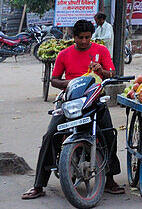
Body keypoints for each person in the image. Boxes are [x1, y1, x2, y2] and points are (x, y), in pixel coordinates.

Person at [24, 19, 124, 200]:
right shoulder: (64, 54)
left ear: (91, 36)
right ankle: (38, 185)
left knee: (109, 134)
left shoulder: (101, 51)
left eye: (87, 37)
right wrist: (68, 83)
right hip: (69, 101)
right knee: (50, 136)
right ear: (73, 37)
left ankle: (109, 179)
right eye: (80, 38)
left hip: (94, 101)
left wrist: (102, 70)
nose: (84, 41)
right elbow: (54, 80)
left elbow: (112, 74)